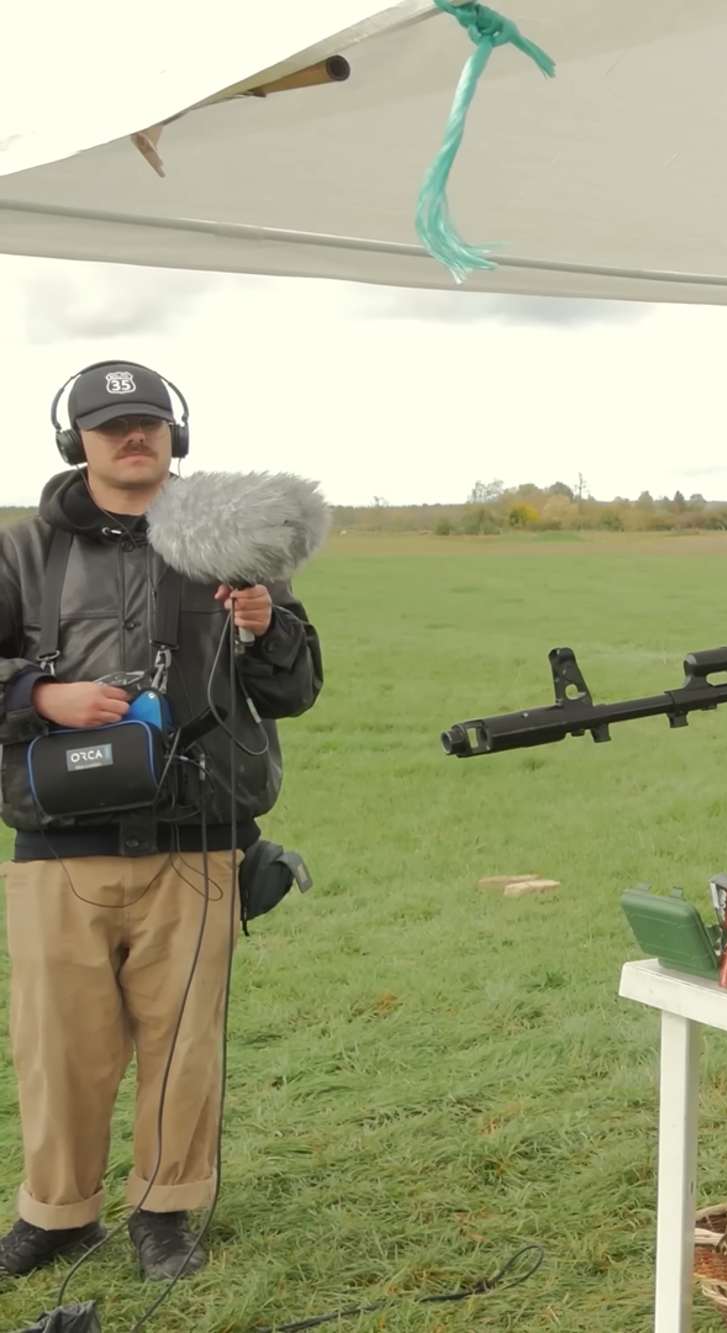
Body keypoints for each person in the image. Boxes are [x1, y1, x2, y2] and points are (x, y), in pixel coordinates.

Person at [0, 360, 325, 1282]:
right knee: (58, 1045)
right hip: (57, 846)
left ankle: (166, 1212)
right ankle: (56, 1213)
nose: (130, 436)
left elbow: (294, 689)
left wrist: (267, 625)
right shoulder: (20, 553)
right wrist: (42, 694)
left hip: (198, 840)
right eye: (109, 425)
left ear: (174, 434)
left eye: (146, 421)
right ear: (76, 441)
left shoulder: (238, 544)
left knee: (185, 1044)